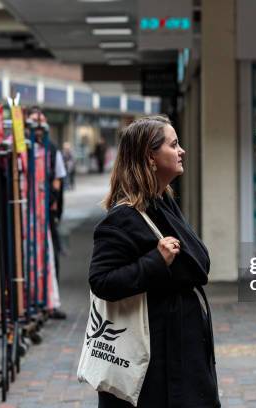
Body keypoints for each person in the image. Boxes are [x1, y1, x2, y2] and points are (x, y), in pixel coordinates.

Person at [89, 115, 220, 408]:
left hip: (179, 351)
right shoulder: (123, 217)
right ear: (150, 157)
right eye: (174, 145)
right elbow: (101, 281)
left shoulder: (163, 201)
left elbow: (199, 262)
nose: (182, 151)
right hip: (152, 360)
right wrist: (155, 262)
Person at [27, 107, 67, 320]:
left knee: (51, 252)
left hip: (46, 210)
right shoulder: (23, 149)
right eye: (34, 123)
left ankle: (50, 300)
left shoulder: (51, 149)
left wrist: (52, 200)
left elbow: (58, 177)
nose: (38, 129)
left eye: (41, 123)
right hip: (27, 211)